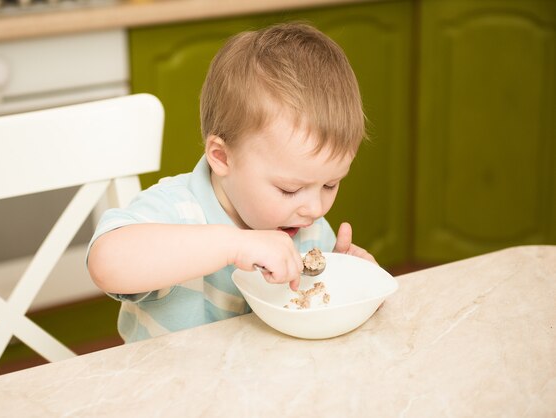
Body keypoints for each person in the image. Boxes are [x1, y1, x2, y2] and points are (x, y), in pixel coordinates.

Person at [87, 22, 376, 343]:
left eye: (330, 185)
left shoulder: (305, 225)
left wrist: (344, 280)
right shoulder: (179, 211)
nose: (314, 208)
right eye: (289, 189)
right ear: (222, 158)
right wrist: (233, 245)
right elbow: (106, 261)